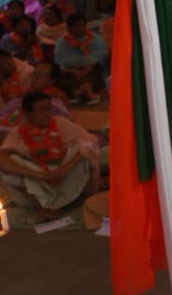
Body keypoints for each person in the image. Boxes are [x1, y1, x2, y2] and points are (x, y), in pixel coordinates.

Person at [0, 91, 100, 219]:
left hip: (64, 177)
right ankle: (42, 206)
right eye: (41, 111)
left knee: (84, 149)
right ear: (27, 114)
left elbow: (90, 141)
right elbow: (2, 157)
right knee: (10, 165)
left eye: (49, 109)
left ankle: (61, 201)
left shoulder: (61, 123)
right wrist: (37, 175)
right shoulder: (18, 132)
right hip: (38, 181)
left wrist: (65, 168)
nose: (47, 114)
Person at [53, 14, 105, 105]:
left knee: (94, 72)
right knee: (64, 77)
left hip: (91, 68)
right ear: (69, 27)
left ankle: (85, 91)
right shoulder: (62, 41)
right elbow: (60, 60)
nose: (80, 29)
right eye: (76, 26)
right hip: (69, 70)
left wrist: (88, 66)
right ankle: (82, 93)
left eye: (82, 26)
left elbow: (100, 53)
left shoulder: (94, 38)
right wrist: (73, 71)